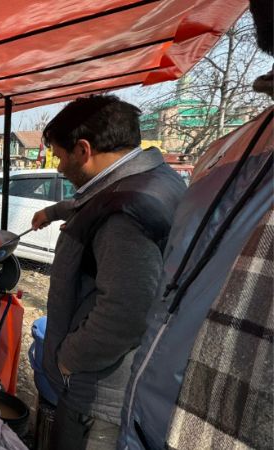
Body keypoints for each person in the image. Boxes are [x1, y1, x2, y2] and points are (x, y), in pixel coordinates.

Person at [119, 1, 273, 448]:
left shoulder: (130, 201)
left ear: (83, 149)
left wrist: (70, 360)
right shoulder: (228, 150)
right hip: (146, 421)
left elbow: (122, 303)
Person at [30, 95, 186, 449]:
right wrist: (55, 211)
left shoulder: (124, 217)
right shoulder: (155, 178)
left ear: (83, 150)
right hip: (133, 375)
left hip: (100, 392)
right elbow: (99, 197)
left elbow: (125, 314)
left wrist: (68, 358)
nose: (57, 166)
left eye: (59, 155)